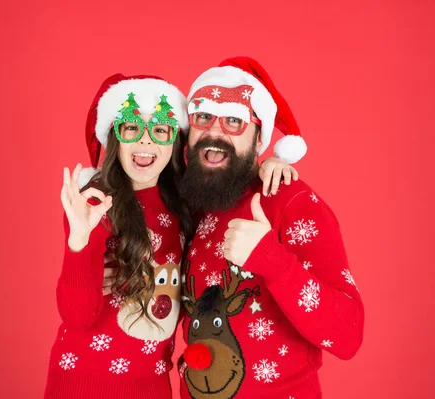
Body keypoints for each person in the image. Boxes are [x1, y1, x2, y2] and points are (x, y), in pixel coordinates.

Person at [45, 72, 300, 398]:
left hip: (151, 383)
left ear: (175, 140)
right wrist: (79, 241)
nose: (145, 141)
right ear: (115, 138)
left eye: (160, 130)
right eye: (132, 128)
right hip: (83, 381)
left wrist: (269, 164)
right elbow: (77, 317)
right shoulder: (94, 202)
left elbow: (228, 175)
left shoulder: (185, 204)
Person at [176, 57, 365, 399]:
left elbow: (347, 335)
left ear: (259, 137)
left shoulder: (290, 200)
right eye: (203, 116)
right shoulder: (192, 207)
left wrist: (271, 259)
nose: (214, 132)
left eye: (234, 121)